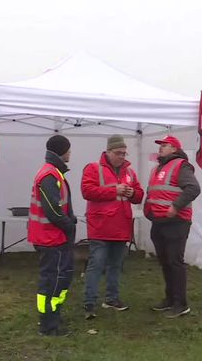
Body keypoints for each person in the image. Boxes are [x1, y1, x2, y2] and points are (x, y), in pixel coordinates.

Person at [81, 135, 144, 320]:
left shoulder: (130, 172)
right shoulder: (93, 168)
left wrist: (133, 193)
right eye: (118, 153)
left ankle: (112, 298)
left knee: (116, 265)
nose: (122, 156)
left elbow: (140, 195)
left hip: (121, 226)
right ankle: (89, 302)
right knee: (97, 264)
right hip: (100, 226)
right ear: (108, 152)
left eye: (124, 153)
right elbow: (87, 191)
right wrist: (114, 190)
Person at [144, 135, 200, 318]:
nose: (160, 148)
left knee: (175, 262)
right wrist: (148, 211)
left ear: (174, 148)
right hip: (159, 222)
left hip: (176, 222)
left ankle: (180, 303)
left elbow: (193, 188)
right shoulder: (157, 168)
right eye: (160, 145)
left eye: (164, 145)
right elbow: (152, 192)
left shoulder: (181, 165)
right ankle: (169, 299)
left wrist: (175, 206)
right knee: (165, 262)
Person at [28, 135, 76, 336]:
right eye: (69, 149)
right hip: (51, 238)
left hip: (53, 236)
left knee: (59, 278)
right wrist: (69, 225)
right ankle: (48, 324)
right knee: (52, 281)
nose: (70, 153)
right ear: (63, 151)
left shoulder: (54, 172)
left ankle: (53, 315)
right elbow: (53, 210)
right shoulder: (50, 175)